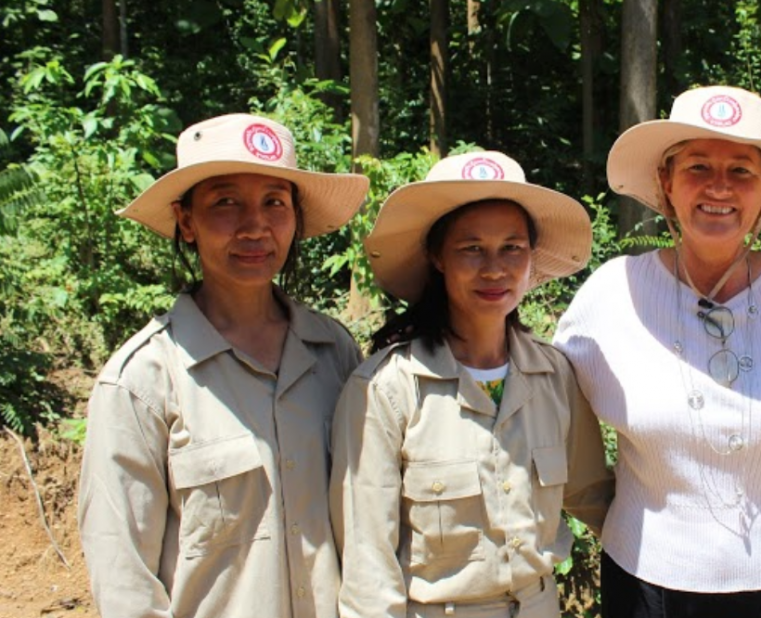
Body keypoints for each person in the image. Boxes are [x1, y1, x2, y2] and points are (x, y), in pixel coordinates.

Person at [553, 85, 761, 616]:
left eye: (742, 170)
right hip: (643, 579)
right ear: (665, 183)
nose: (719, 187)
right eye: (697, 167)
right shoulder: (612, 292)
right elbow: (540, 394)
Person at [77, 113, 369, 618]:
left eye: (274, 202)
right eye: (225, 202)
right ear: (185, 220)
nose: (255, 224)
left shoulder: (335, 354)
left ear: (295, 219)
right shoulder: (144, 380)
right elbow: (125, 579)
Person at [329, 151, 614, 618]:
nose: (494, 269)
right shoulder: (387, 389)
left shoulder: (555, 375)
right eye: (471, 249)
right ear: (438, 257)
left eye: (512, 248)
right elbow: (368, 563)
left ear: (530, 258)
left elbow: (592, 496)